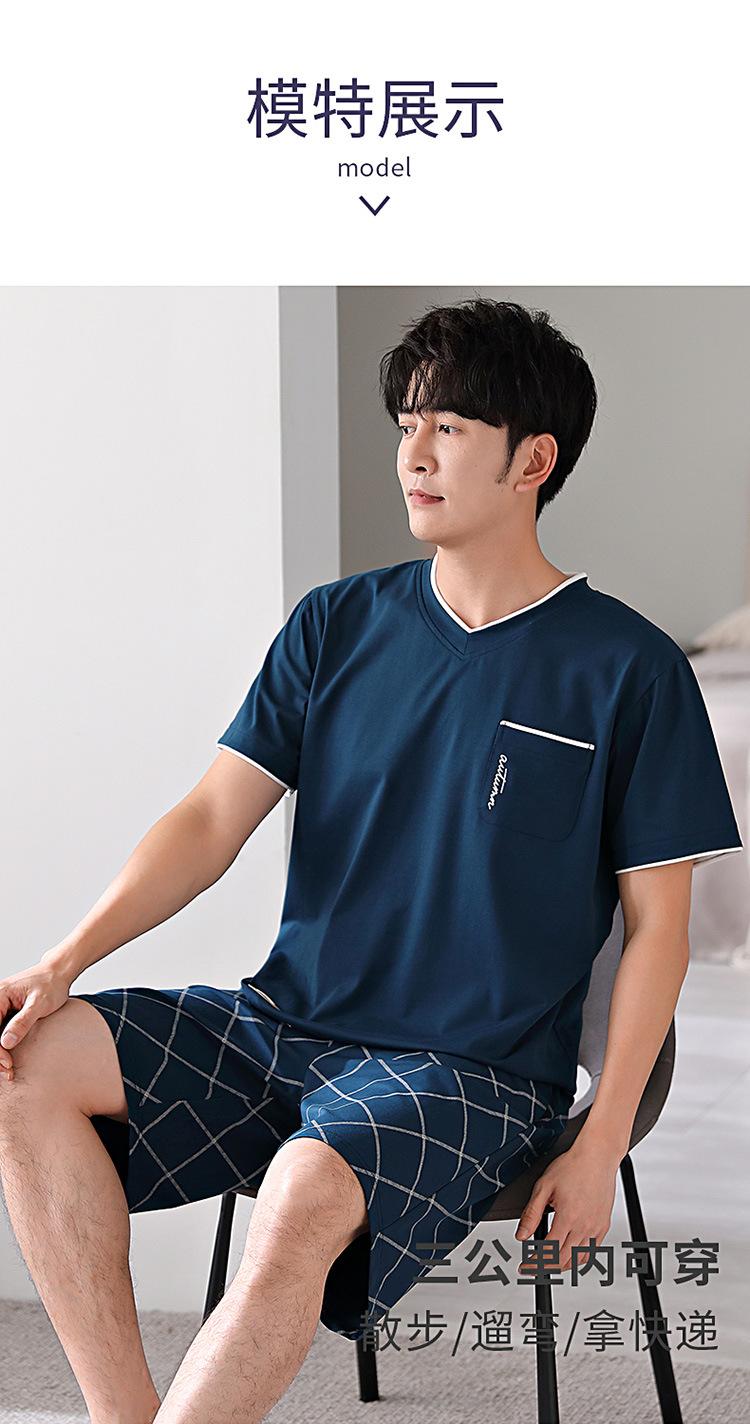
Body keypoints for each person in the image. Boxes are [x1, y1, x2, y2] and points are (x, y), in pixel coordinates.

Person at [0, 297, 743, 1424]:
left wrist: (599, 1142)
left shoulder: (629, 670)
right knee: (25, 1060)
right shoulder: (335, 625)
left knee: (302, 1184)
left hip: (471, 1069)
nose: (413, 453)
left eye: (449, 426)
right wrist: (63, 963)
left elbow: (659, 933)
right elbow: (209, 820)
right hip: (284, 1024)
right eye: (407, 423)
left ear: (533, 460)